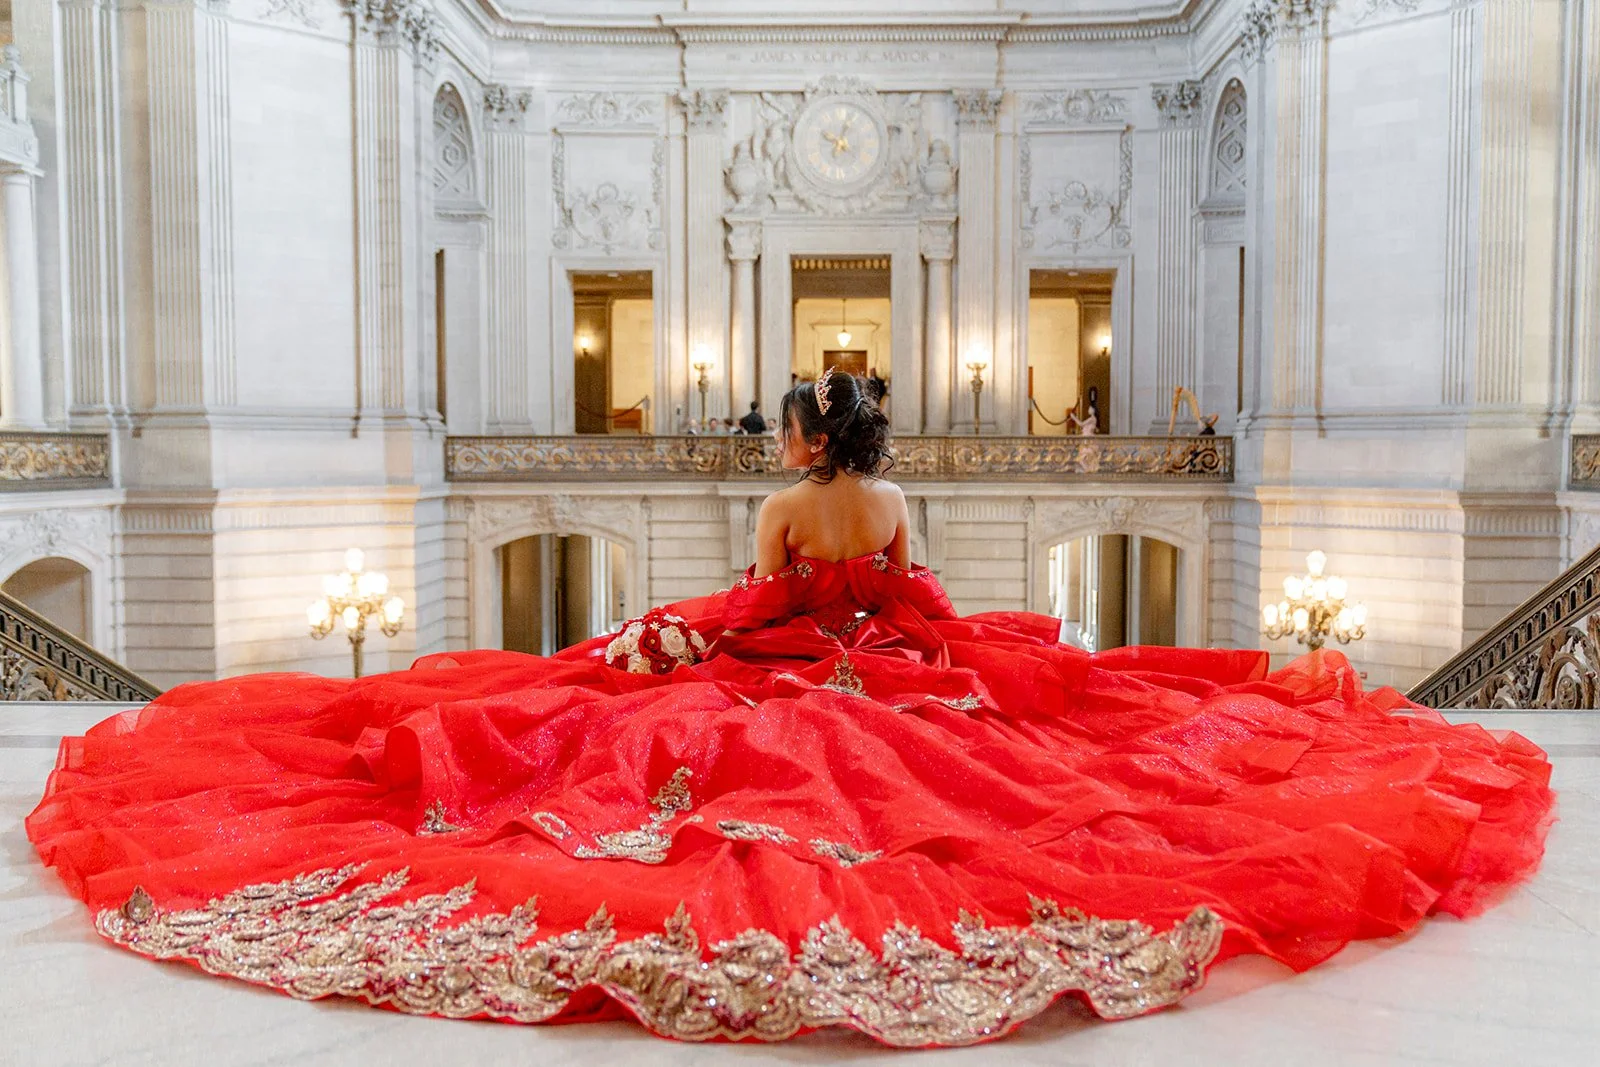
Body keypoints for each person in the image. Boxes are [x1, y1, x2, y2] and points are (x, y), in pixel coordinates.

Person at [27, 368, 1553, 1047]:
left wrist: (671, 637)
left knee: (602, 724)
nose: (780, 427)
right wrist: (944, 654)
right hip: (885, 655)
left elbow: (758, 600)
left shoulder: (777, 506)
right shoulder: (887, 499)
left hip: (785, 658)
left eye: (788, 416)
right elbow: (910, 592)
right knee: (1043, 752)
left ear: (804, 433)